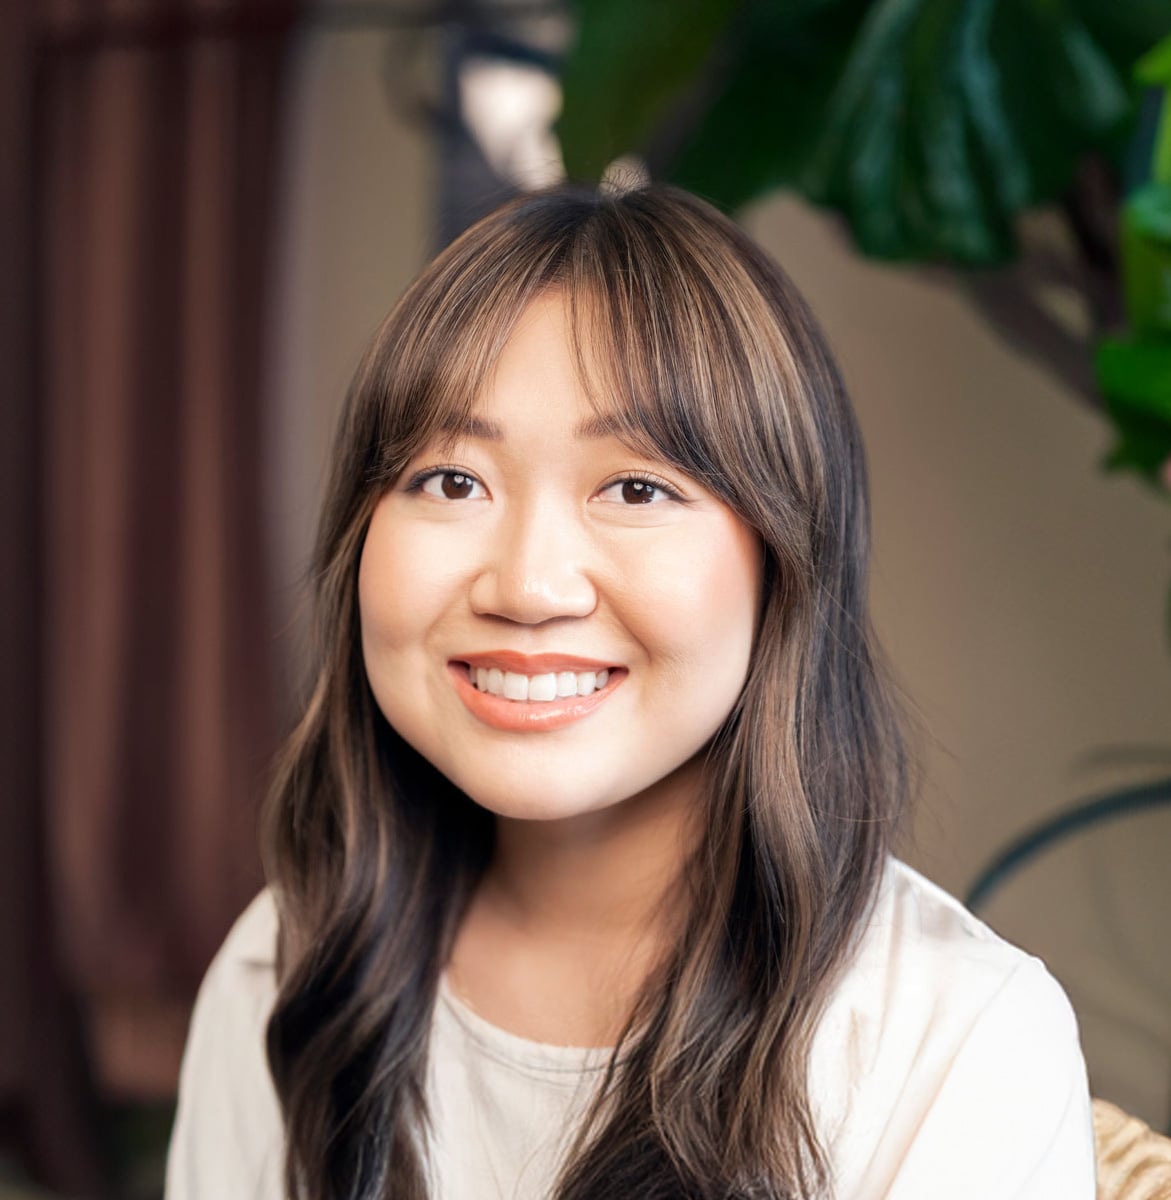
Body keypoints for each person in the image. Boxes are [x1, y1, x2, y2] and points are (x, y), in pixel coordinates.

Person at [165, 184, 1095, 1199]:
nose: (526, 586)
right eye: (450, 480)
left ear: (785, 562)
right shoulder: (292, 967)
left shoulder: (953, 1046)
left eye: (637, 488)